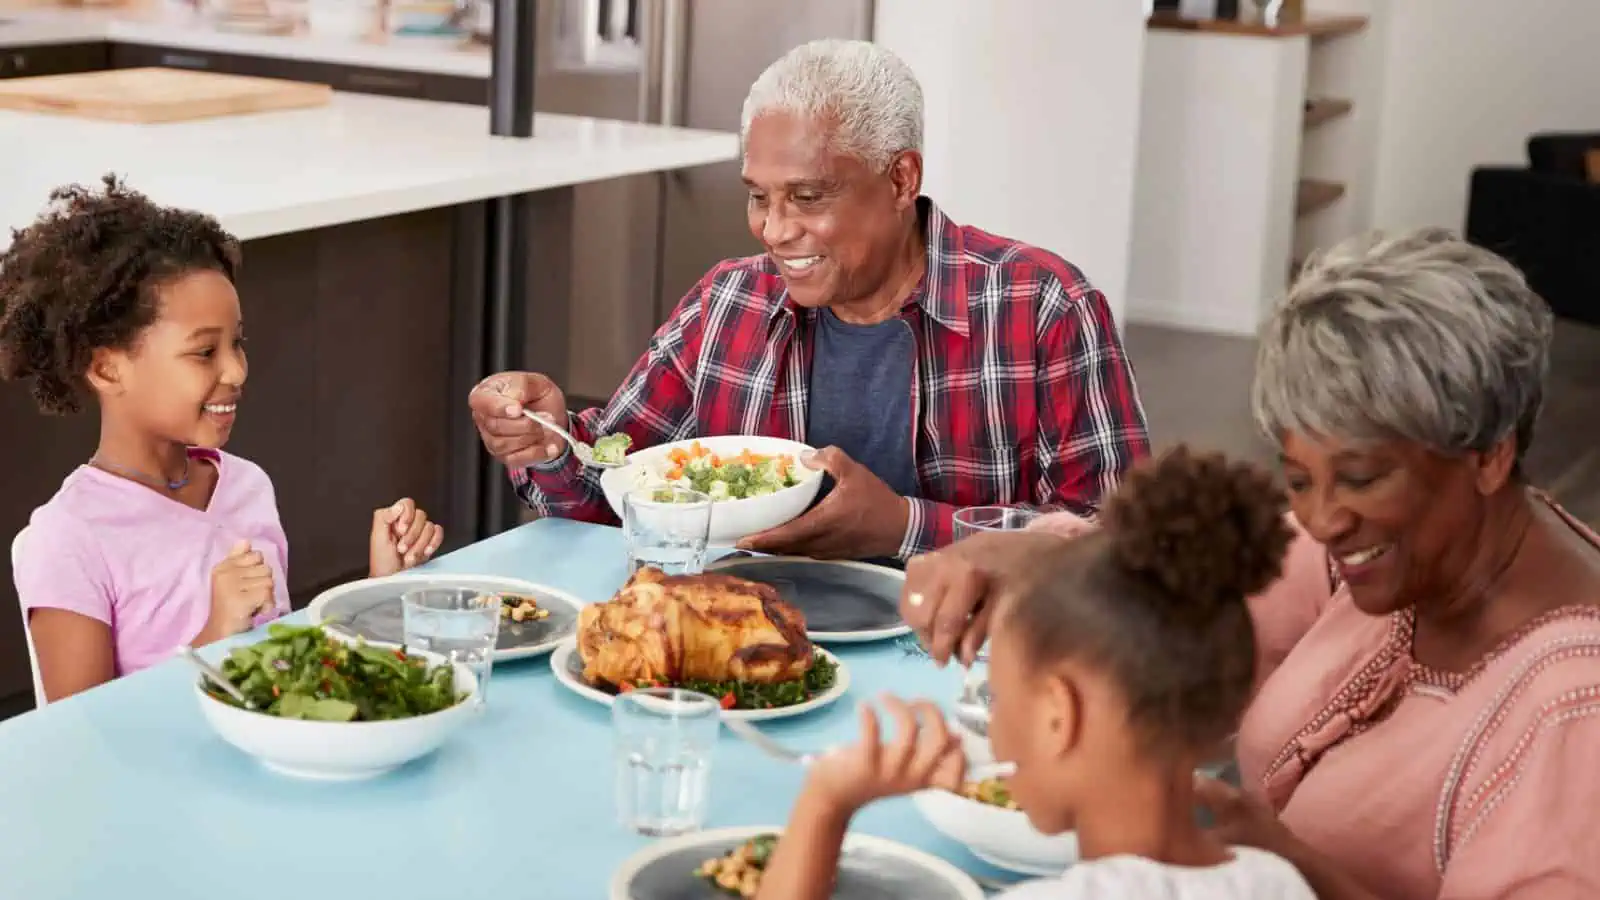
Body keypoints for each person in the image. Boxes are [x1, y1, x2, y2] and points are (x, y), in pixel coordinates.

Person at [899, 229, 1600, 899]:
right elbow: (1185, 576)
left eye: (1359, 479)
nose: (1322, 520)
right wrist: (1034, 552)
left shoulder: (1575, 714)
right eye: (1299, 480)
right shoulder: (1398, 558)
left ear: (1489, 456)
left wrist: (1289, 865)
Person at [469, 38, 1148, 562]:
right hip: (745, 651)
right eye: (759, 196)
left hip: (959, 668)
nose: (774, 229)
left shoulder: (1042, 307)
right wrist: (549, 442)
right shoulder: (726, 303)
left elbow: (1121, 549)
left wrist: (904, 526)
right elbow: (615, 491)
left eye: (808, 196)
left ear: (900, 178)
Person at [756, 448, 1315, 899]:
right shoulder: (1278, 880)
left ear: (1057, 714)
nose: (994, 729)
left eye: (1001, 696)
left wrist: (825, 805)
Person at [0, 177, 444, 703]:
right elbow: (82, 743)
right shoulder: (70, 538)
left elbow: (285, 676)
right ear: (107, 368)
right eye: (204, 352)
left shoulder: (246, 485)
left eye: (238, 343)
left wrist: (375, 592)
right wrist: (213, 637)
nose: (236, 370)